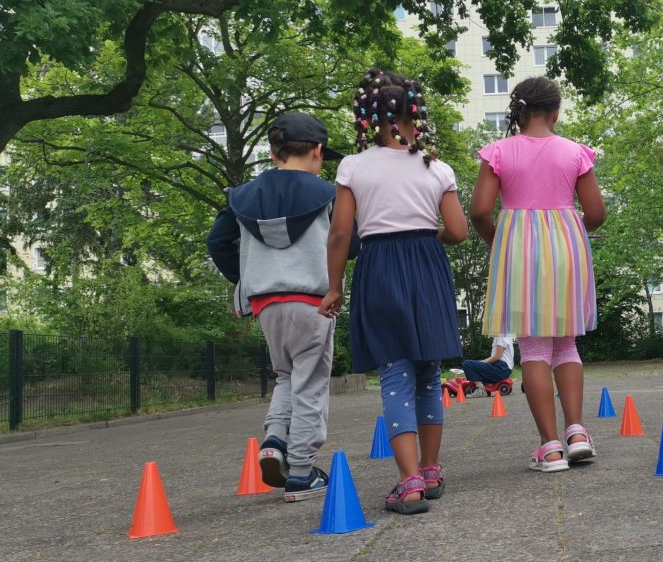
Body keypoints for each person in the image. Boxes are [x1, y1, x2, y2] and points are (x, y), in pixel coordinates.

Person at [319, 69, 467, 514]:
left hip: (379, 266)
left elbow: (341, 233)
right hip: (427, 266)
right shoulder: (437, 167)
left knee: (394, 373)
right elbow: (458, 231)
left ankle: (408, 482)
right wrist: (427, 236)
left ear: (368, 118)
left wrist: (334, 287)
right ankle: (432, 468)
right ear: (416, 115)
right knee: (428, 371)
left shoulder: (354, 166)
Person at [206, 112, 348, 501]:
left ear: (273, 153)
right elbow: (347, 242)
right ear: (318, 151)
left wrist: (245, 278)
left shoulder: (241, 196)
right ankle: (301, 472)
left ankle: (273, 442)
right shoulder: (329, 195)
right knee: (310, 383)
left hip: (267, 303)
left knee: (286, 376)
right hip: (313, 301)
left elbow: (217, 242)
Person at [470, 76, 605, 473]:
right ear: (555, 113)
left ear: (520, 111)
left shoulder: (498, 151)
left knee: (533, 348)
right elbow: (596, 214)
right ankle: (577, 434)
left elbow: (479, 210)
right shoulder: (575, 152)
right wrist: (568, 230)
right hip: (567, 249)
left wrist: (499, 241)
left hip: (519, 252)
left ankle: (549, 447)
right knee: (566, 345)